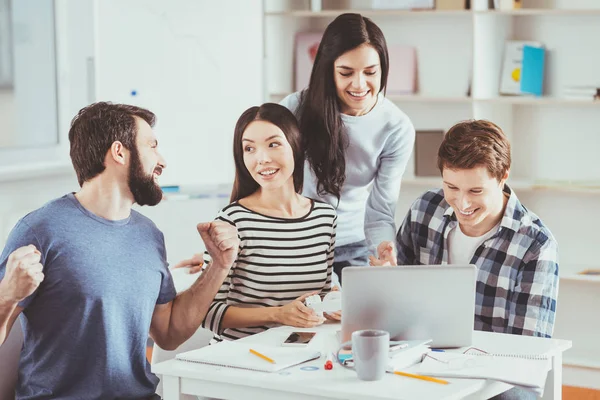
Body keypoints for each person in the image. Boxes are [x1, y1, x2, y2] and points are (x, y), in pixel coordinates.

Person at [0, 102, 239, 399]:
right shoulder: (39, 230)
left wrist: (218, 265)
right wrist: (7, 295)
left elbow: (170, 333)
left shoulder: (148, 234)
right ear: (119, 151)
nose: (161, 160)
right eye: (152, 146)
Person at [372, 119, 559, 339]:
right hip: (418, 360)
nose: (462, 203)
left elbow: (528, 350)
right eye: (451, 187)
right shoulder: (426, 209)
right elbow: (394, 308)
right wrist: (386, 276)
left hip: (489, 369)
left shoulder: (535, 246)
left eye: (476, 191)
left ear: (503, 176)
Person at [280, 13, 415, 283]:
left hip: (356, 242)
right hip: (299, 241)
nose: (359, 84)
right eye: (346, 73)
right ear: (328, 70)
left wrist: (384, 248)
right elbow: (265, 185)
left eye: (370, 72)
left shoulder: (397, 127)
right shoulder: (295, 110)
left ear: (383, 69)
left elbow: (380, 212)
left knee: (360, 320)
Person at [201, 103, 338, 341]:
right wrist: (278, 315)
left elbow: (321, 296)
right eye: (249, 149)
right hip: (240, 358)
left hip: (301, 355)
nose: (262, 159)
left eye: (273, 144)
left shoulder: (325, 218)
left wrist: (334, 305)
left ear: (296, 145)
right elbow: (206, 313)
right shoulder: (232, 220)